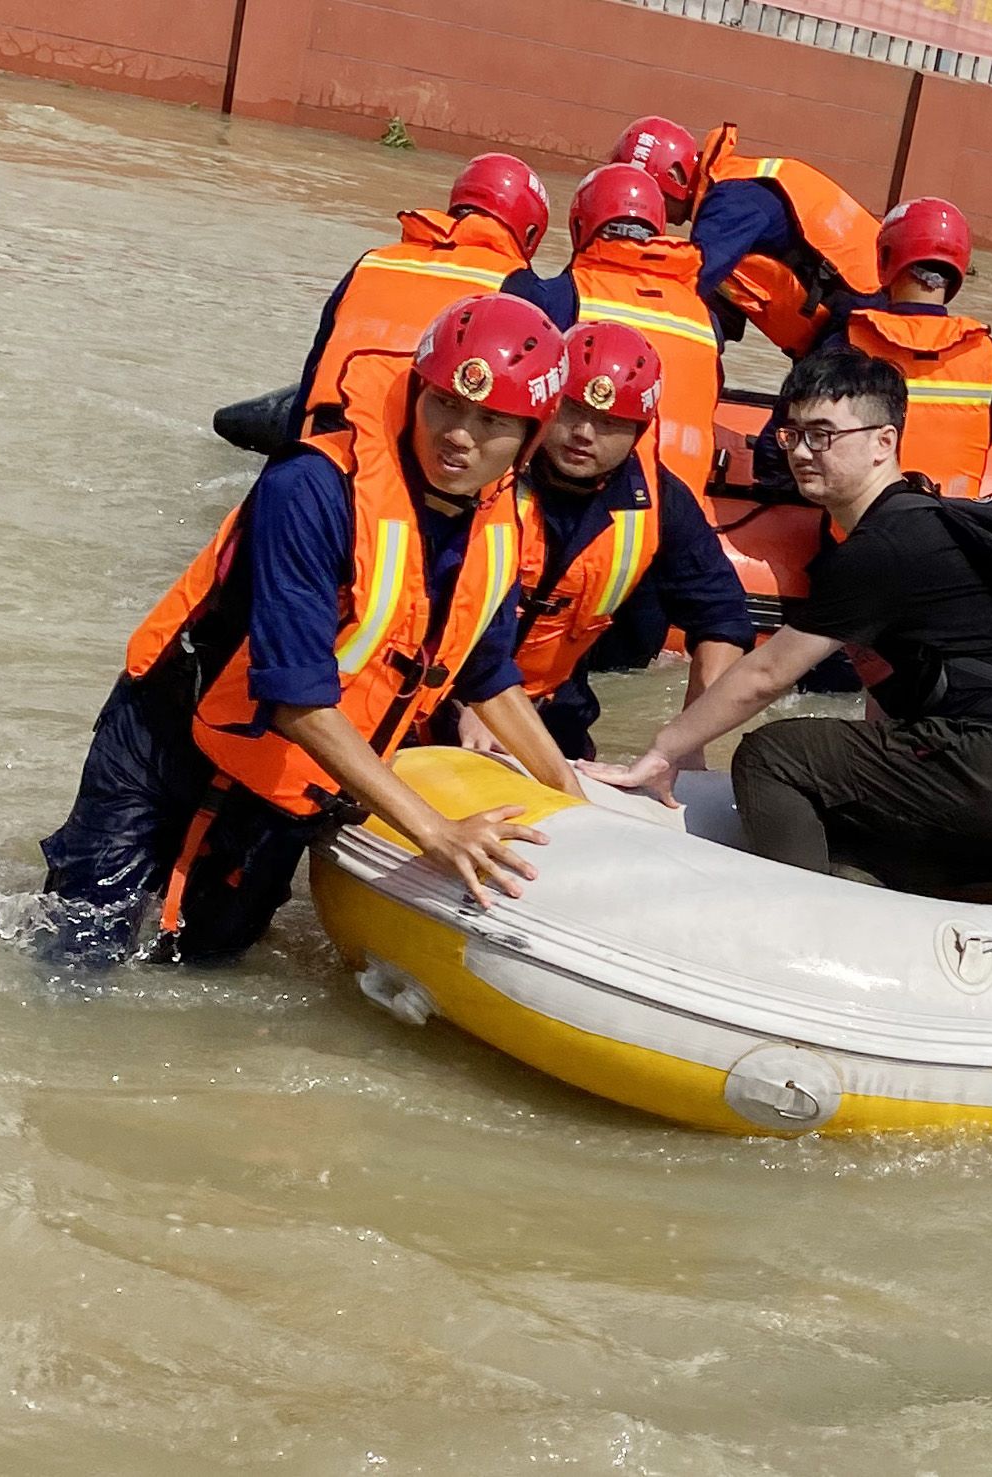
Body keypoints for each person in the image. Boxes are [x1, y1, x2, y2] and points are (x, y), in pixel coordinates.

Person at [39, 295, 585, 966]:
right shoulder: (312, 488)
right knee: (77, 954)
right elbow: (297, 698)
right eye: (443, 402)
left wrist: (567, 790)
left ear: (533, 434)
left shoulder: (500, 522)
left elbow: (484, 671)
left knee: (208, 961)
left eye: (491, 418)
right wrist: (437, 834)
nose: (459, 435)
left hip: (288, 785)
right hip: (167, 743)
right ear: (416, 388)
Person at [581, 349, 992, 894]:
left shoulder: (887, 542)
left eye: (823, 435)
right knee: (834, 795)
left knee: (773, 754)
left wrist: (662, 751)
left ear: (884, 441)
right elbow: (889, 695)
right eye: (792, 434)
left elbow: (767, 676)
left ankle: (791, 917)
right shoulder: (912, 524)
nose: (802, 452)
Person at [443, 320, 754, 761]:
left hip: (552, 706)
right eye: (572, 410)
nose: (584, 433)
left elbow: (722, 617)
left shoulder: (660, 501)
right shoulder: (485, 468)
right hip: (444, 689)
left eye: (609, 422)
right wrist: (477, 696)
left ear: (639, 430)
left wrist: (690, 740)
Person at [756, 197, 992, 499]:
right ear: (957, 270)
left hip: (859, 540)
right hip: (952, 541)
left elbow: (774, 454)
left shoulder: (846, 343)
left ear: (886, 259)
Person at [291, 153, 550, 439]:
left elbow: (315, 363)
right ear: (530, 234)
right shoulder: (519, 285)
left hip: (326, 432)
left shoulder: (373, 261)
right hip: (415, 440)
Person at [608, 115, 882, 357]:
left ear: (673, 177)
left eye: (646, 194)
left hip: (863, 320)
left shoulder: (730, 205)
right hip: (852, 317)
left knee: (802, 411)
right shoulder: (733, 198)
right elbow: (715, 307)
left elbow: (687, 286)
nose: (644, 208)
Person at [524, 163, 721, 497]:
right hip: (684, 503)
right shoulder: (705, 315)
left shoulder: (563, 295)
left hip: (590, 489)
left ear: (578, 227)